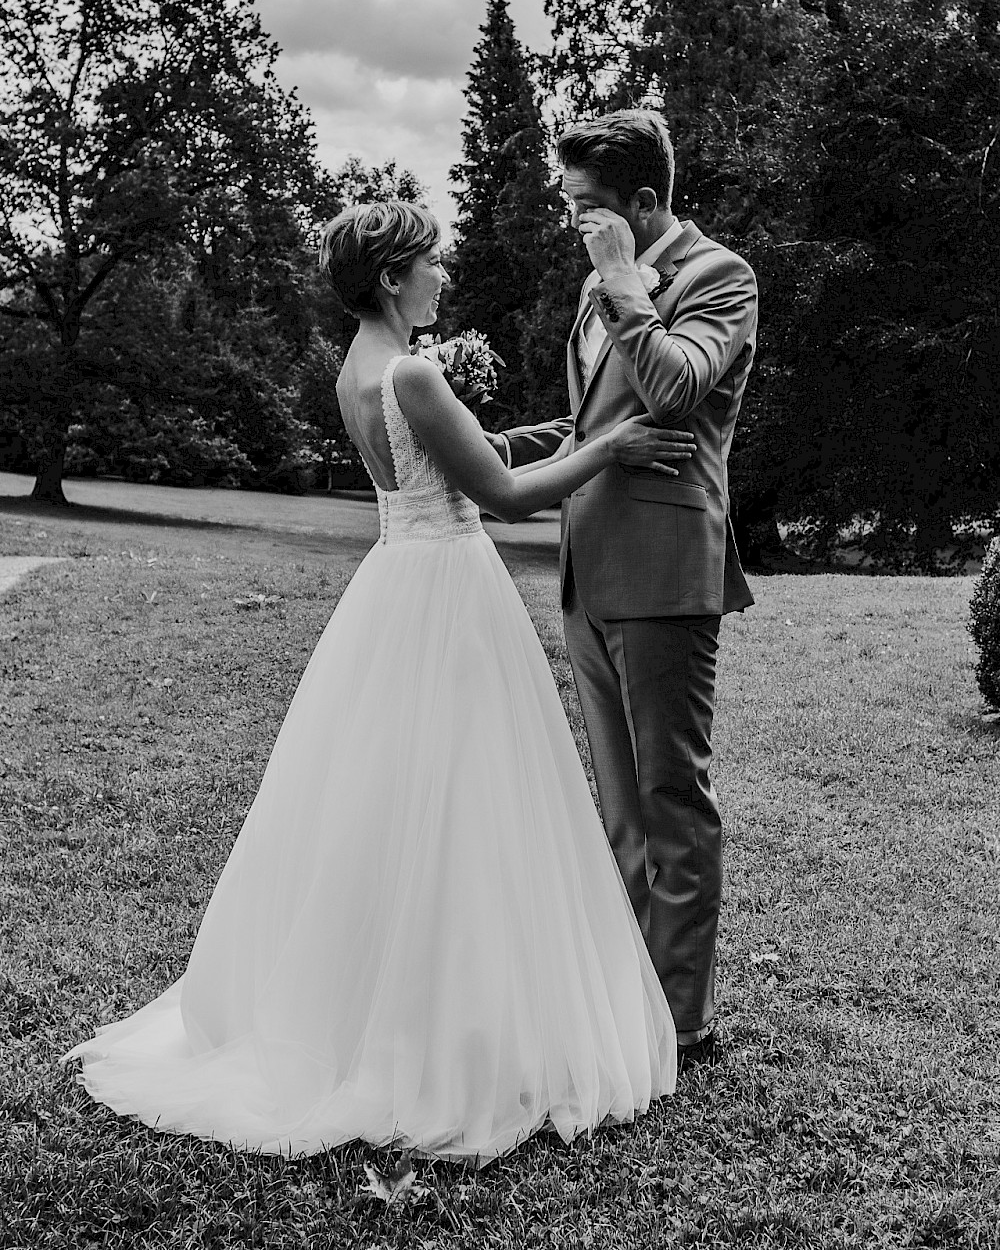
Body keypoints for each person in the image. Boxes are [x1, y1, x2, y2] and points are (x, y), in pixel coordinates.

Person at [61, 200, 698, 1162]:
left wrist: (532, 431)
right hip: (449, 591)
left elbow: (439, 468)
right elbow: (503, 496)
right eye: (431, 263)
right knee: (468, 802)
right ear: (395, 277)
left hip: (396, 583)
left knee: (394, 802)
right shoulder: (412, 371)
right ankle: (453, 1027)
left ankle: (373, 1004)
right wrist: (612, 445)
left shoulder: (356, 371)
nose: (444, 274)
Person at [490, 110, 757, 1069]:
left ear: (646, 203)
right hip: (585, 574)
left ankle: (681, 1024)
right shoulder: (599, 287)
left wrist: (621, 285)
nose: (578, 228)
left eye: (591, 210)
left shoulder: (720, 278)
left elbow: (677, 385)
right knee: (617, 808)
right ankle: (628, 997)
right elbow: (592, 420)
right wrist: (488, 447)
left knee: (669, 796)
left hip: (663, 576)